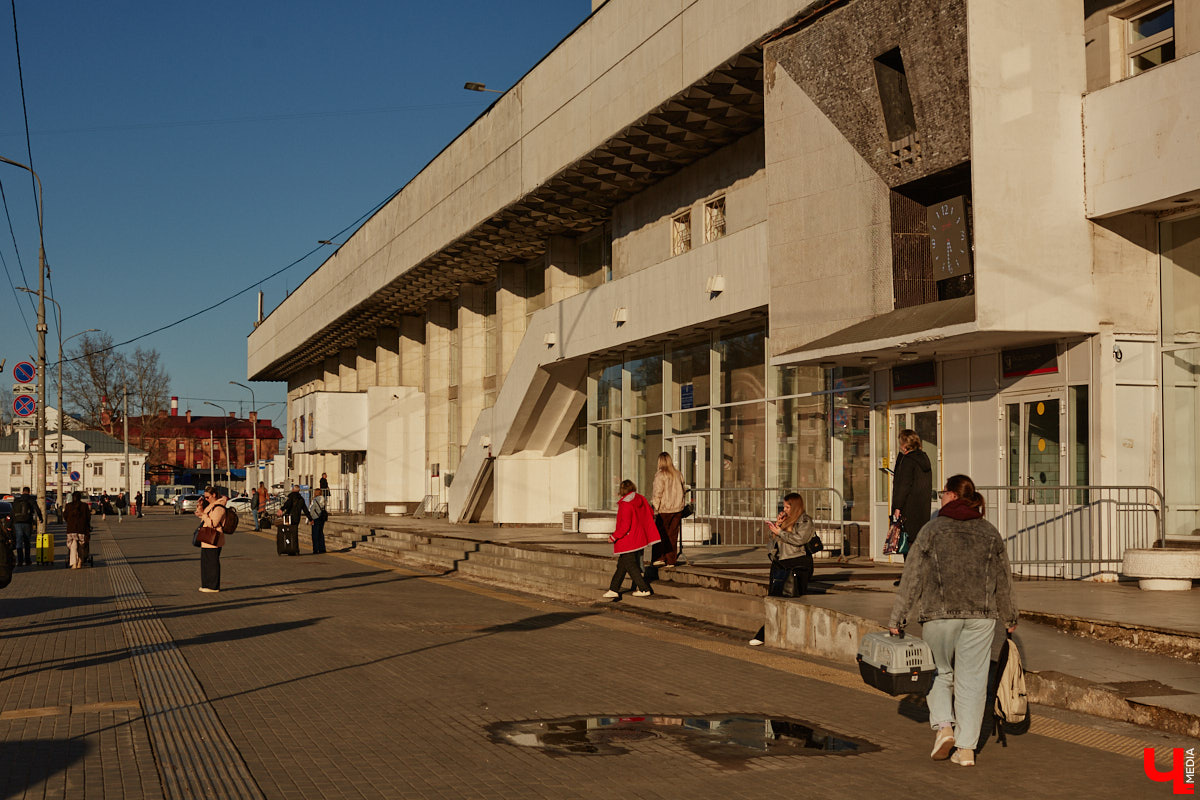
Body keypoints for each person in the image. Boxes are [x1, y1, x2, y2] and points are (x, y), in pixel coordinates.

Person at [888, 474, 1018, 768]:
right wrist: (1010, 616)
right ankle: (966, 749)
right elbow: (1003, 579)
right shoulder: (990, 532)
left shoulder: (932, 531)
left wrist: (899, 617)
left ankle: (945, 727)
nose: (939, 498)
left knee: (937, 672)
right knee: (972, 682)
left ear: (951, 495)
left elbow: (912, 577)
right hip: (982, 618)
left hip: (939, 616)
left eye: (941, 493)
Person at [749, 492, 816, 646]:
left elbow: (799, 540)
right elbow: (772, 544)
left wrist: (780, 532)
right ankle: (767, 633)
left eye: (788, 506)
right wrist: (777, 527)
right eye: (784, 506)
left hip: (798, 564)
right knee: (774, 599)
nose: (785, 510)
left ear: (796, 507)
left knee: (792, 600)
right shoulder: (786, 521)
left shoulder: (805, 521)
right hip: (781, 563)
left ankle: (766, 634)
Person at [602, 479, 658, 600]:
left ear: (622, 490)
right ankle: (613, 589)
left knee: (631, 565)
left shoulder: (625, 504)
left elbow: (624, 525)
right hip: (638, 537)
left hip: (628, 539)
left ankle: (644, 588)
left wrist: (613, 536)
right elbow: (650, 513)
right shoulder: (640, 498)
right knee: (622, 565)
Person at [891, 429, 932, 585]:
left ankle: (910, 578)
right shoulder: (923, 459)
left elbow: (903, 485)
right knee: (917, 543)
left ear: (904, 444)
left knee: (907, 543)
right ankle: (919, 576)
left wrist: (897, 507)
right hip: (921, 508)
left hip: (908, 507)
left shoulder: (908, 462)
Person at [649, 452, 687, 568]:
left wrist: (655, 507)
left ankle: (659, 558)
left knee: (660, 534)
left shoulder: (661, 475)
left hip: (664, 509)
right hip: (677, 509)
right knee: (673, 535)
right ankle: (671, 560)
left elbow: (657, 493)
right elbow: (683, 490)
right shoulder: (678, 474)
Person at [194, 486, 228, 593]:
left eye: (207, 497)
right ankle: (206, 584)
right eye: (205, 497)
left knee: (212, 564)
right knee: (205, 563)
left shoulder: (219, 507)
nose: (206, 499)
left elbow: (212, 523)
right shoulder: (211, 506)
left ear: (214, 495)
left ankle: (213, 586)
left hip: (214, 539)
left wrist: (203, 515)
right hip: (206, 538)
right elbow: (203, 516)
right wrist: (199, 506)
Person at [12, 486, 42, 566]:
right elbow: (37, 509)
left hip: (17, 523)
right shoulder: (31, 499)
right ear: (29, 492)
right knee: (27, 542)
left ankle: (20, 561)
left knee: (19, 542)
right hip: (27, 522)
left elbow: (12, 513)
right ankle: (28, 560)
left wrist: (10, 524)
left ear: (22, 492)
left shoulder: (17, 500)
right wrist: (41, 518)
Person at [64, 491, 91, 569]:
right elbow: (88, 518)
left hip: (71, 529)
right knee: (81, 546)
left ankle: (74, 563)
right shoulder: (84, 506)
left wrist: (70, 521)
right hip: (81, 529)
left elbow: (65, 516)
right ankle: (80, 562)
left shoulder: (68, 506)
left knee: (73, 546)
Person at [309, 488, 329, 554]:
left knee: (315, 534)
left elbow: (312, 510)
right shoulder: (323, 500)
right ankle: (322, 548)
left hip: (315, 518)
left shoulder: (315, 500)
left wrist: (309, 519)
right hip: (322, 518)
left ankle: (316, 549)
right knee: (321, 533)